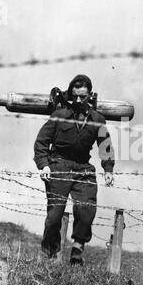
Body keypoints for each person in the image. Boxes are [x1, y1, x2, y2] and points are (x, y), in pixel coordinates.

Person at [34, 74, 115, 266]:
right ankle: (50, 254)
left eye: (83, 97)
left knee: (86, 209)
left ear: (90, 96)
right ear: (71, 94)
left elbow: (106, 146)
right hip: (59, 164)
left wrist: (109, 169)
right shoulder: (60, 115)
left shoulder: (97, 119)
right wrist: (44, 164)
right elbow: (42, 142)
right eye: (75, 96)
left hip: (83, 168)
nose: (78, 100)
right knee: (54, 216)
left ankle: (78, 248)